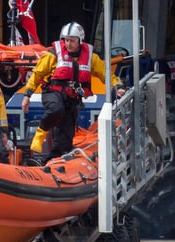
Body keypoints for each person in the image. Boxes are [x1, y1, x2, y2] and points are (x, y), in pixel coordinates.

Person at [20, 22, 124, 157]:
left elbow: (106, 74)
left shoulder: (91, 58)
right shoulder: (53, 54)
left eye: (72, 41)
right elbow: (37, 74)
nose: (68, 44)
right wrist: (27, 95)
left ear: (80, 40)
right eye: (66, 40)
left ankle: (56, 159)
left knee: (65, 139)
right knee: (56, 110)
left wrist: (117, 86)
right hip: (53, 93)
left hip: (72, 98)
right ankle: (39, 135)